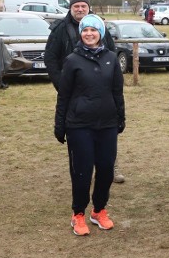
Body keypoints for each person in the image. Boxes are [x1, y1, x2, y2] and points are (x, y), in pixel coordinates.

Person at [53, 14, 124, 236]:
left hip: (107, 124)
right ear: (81, 33)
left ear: (100, 33)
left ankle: (99, 210)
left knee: (105, 170)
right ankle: (78, 214)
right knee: (82, 172)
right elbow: (63, 95)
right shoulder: (72, 60)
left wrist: (120, 118)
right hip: (79, 125)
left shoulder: (111, 58)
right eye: (85, 30)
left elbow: (117, 92)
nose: (89, 34)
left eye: (94, 30)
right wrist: (60, 124)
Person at [45, 0, 125, 183]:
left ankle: (109, 166)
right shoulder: (60, 29)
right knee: (77, 134)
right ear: (70, 8)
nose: (80, 9)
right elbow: (51, 59)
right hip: (74, 92)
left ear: (89, 8)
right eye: (76, 6)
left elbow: (111, 56)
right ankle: (79, 172)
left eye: (83, 6)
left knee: (106, 130)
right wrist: (62, 84)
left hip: (101, 92)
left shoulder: (99, 28)